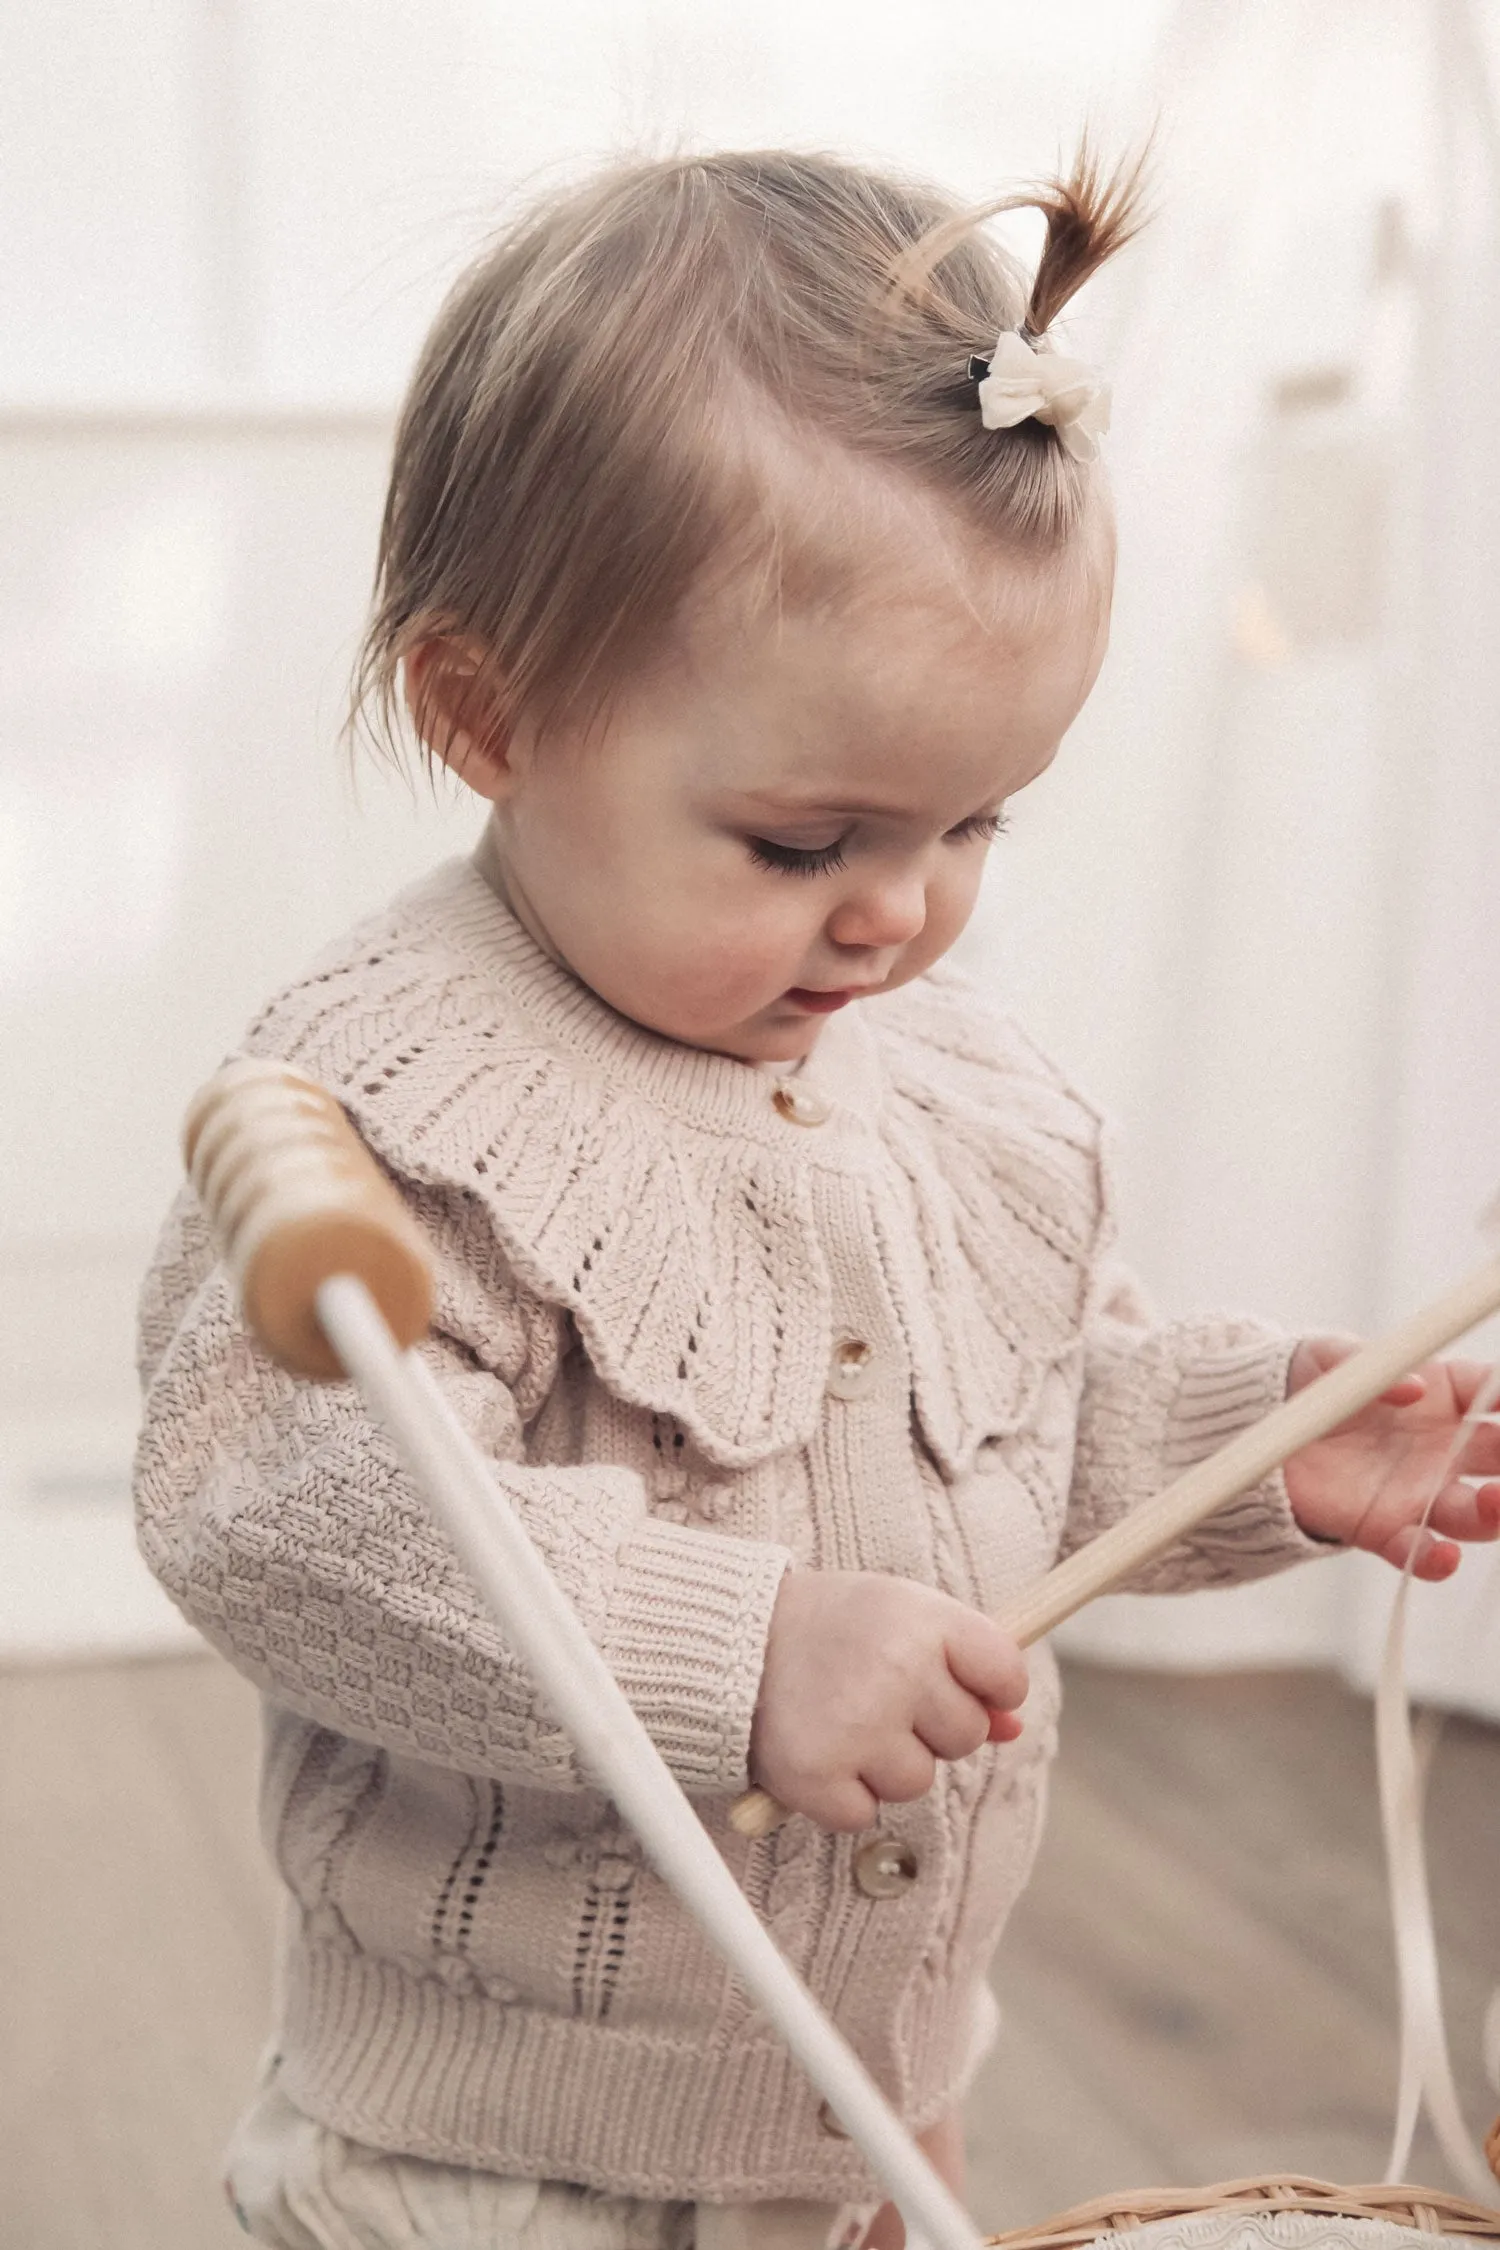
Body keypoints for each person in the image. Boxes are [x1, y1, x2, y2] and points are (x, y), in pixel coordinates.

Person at [132, 147, 1500, 2250]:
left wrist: (1260, 1441)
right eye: (800, 841)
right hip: (505, 2150)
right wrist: (740, 1643)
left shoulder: (961, 1087)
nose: (897, 914)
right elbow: (288, 1516)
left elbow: (1032, 1425)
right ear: (486, 717)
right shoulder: (398, 1103)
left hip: (875, 2088)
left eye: (975, 826)